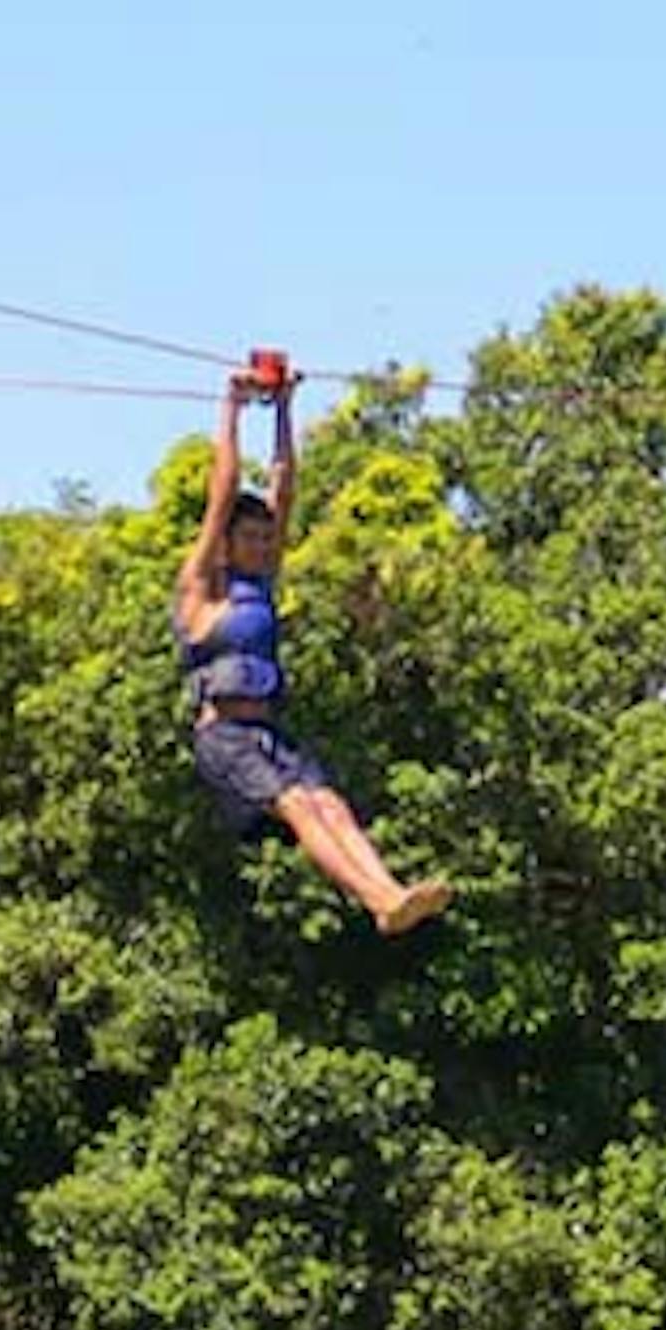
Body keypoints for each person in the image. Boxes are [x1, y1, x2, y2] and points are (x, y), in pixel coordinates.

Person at [174, 366, 453, 936]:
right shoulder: (203, 588)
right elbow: (224, 486)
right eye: (247, 537)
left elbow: (285, 485)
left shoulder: (263, 583)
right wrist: (231, 405)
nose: (258, 545)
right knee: (299, 807)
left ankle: (389, 897)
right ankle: (377, 898)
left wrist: (282, 410)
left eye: (262, 537)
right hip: (223, 737)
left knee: (331, 805)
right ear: (225, 542)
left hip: (269, 733)